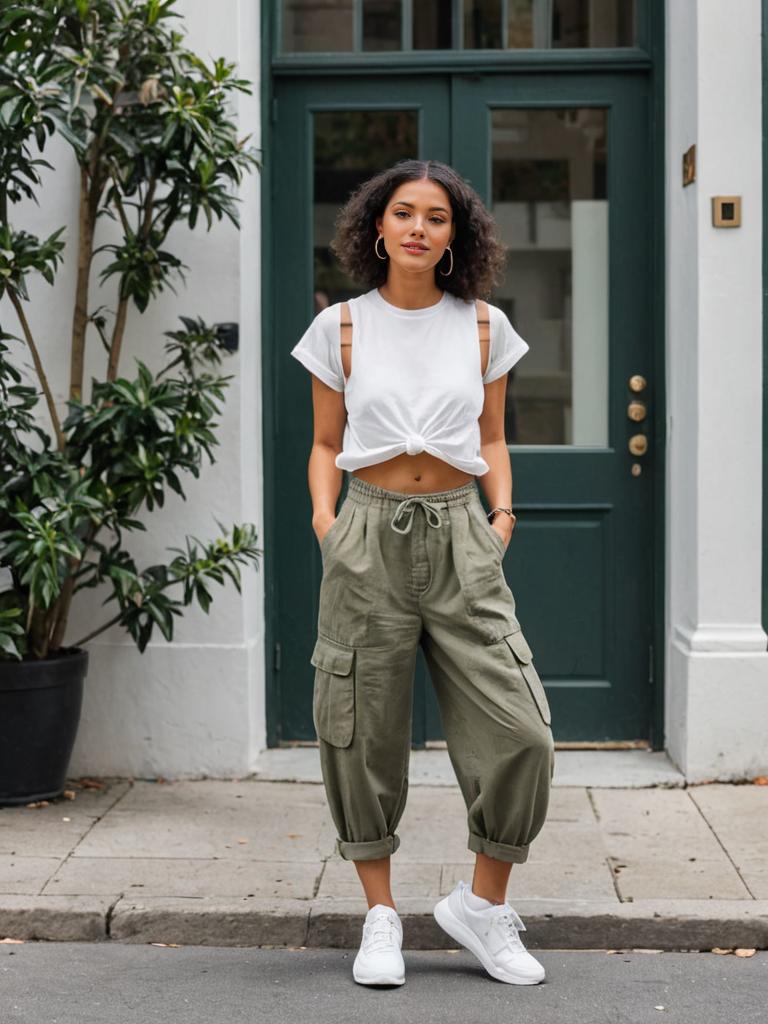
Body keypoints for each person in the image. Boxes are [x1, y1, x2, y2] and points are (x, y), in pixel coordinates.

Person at [290, 159, 555, 988]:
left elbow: (497, 437)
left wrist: (502, 516)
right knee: (361, 726)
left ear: (455, 236)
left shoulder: (484, 327)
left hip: (462, 536)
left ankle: (480, 906)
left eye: (435, 218)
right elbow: (326, 444)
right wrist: (329, 525)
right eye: (403, 213)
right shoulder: (340, 328)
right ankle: (380, 918)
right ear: (377, 227)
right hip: (366, 531)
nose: (417, 228)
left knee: (520, 728)